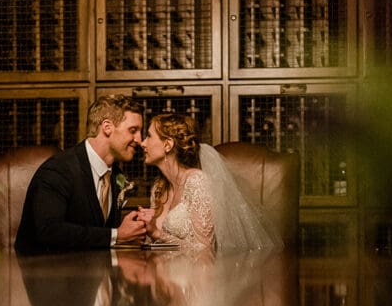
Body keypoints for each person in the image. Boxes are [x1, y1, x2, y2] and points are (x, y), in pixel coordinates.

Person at [15, 95, 149, 254]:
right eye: (133, 130)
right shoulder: (58, 170)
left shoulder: (116, 175)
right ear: (107, 127)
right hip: (47, 272)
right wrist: (116, 235)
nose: (140, 140)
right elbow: (48, 231)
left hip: (95, 272)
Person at [136, 113, 282, 253]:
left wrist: (156, 233)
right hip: (162, 273)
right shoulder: (159, 188)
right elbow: (155, 246)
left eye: (148, 136)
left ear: (167, 145)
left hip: (194, 276)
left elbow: (204, 248)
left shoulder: (197, 182)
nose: (142, 143)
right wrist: (145, 228)